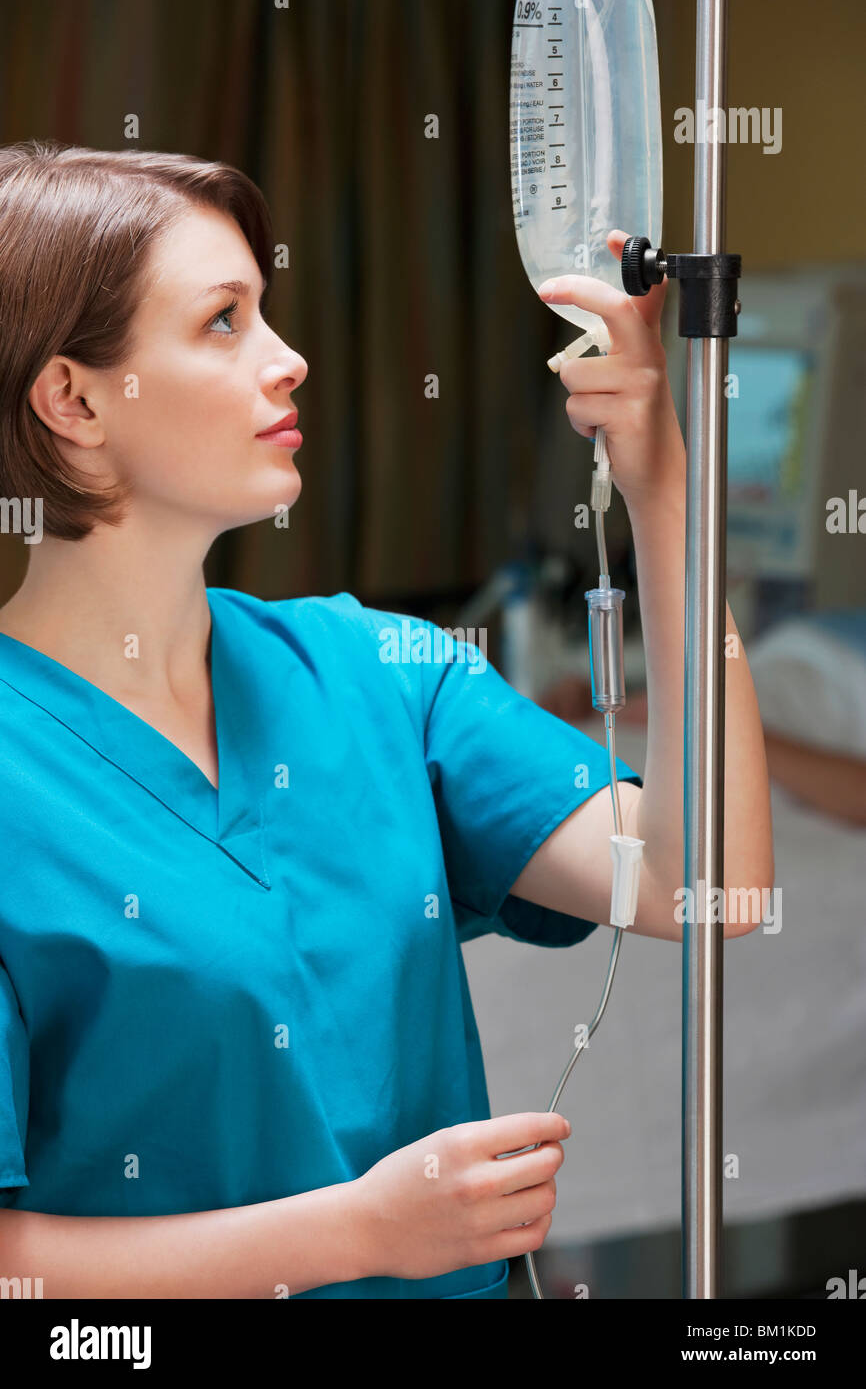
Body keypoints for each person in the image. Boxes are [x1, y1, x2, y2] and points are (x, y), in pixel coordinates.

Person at [0, 140, 774, 1300]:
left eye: (268, 312)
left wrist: (657, 474)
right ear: (72, 400)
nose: (289, 359)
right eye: (223, 323)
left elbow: (706, 883)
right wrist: (360, 1234)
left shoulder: (378, 665)